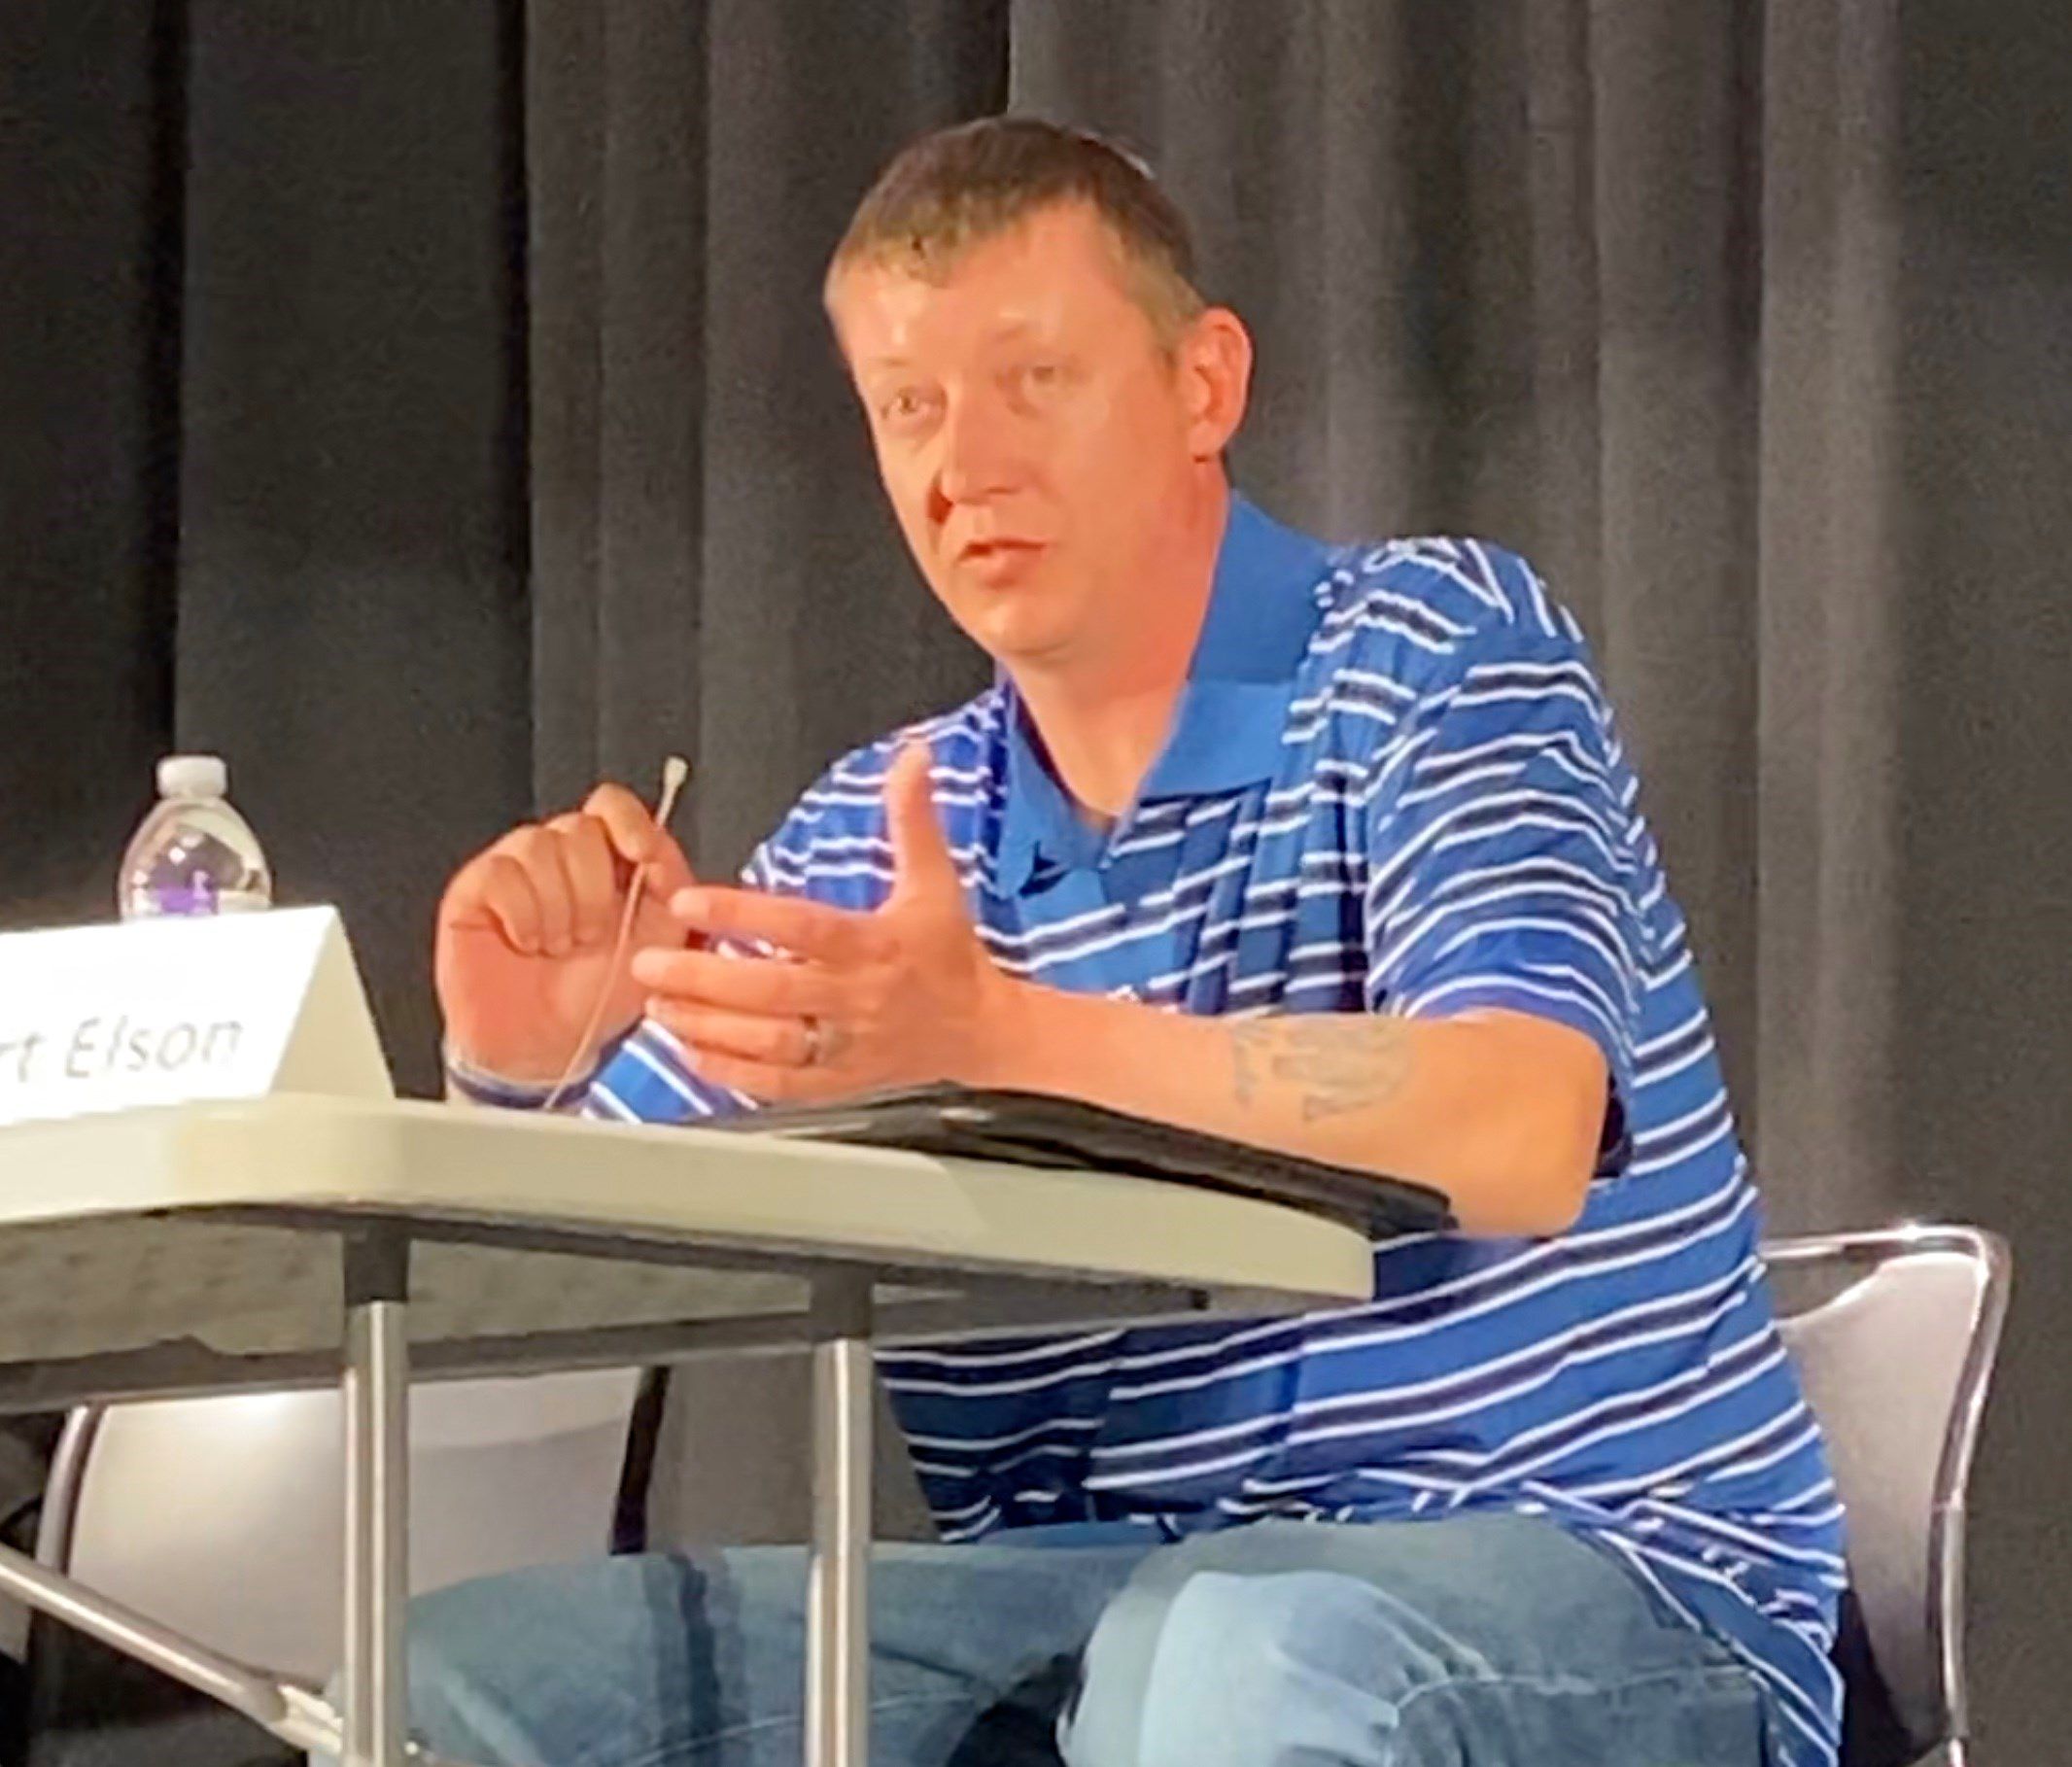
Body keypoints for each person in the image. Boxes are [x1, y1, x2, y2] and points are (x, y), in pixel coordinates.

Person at [419, 118, 1843, 1767]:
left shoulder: (1433, 651)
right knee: (474, 1676)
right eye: (908, 407)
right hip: (1103, 1607)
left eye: (1033, 380)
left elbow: (1522, 1123)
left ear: (1203, 386)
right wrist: (519, 1066)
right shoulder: (884, 828)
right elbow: (568, 1286)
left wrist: (993, 1041)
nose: (964, 466)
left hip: (1590, 1569)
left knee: (1240, 1657)